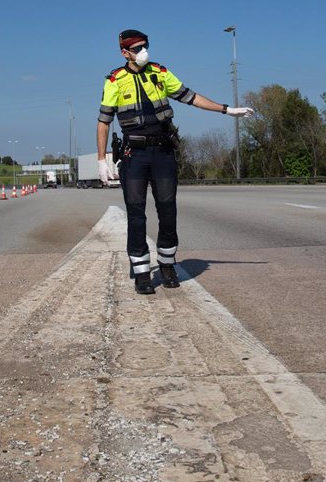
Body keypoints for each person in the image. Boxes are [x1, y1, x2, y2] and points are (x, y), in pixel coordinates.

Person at [97, 29, 254, 295]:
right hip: (134, 155)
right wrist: (102, 160)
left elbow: (192, 97)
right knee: (136, 215)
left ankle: (167, 264)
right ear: (125, 53)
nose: (144, 51)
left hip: (163, 151)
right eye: (137, 48)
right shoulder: (115, 80)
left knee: (168, 210)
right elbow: (103, 122)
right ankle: (142, 271)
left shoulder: (160, 73)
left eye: (146, 46)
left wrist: (227, 110)